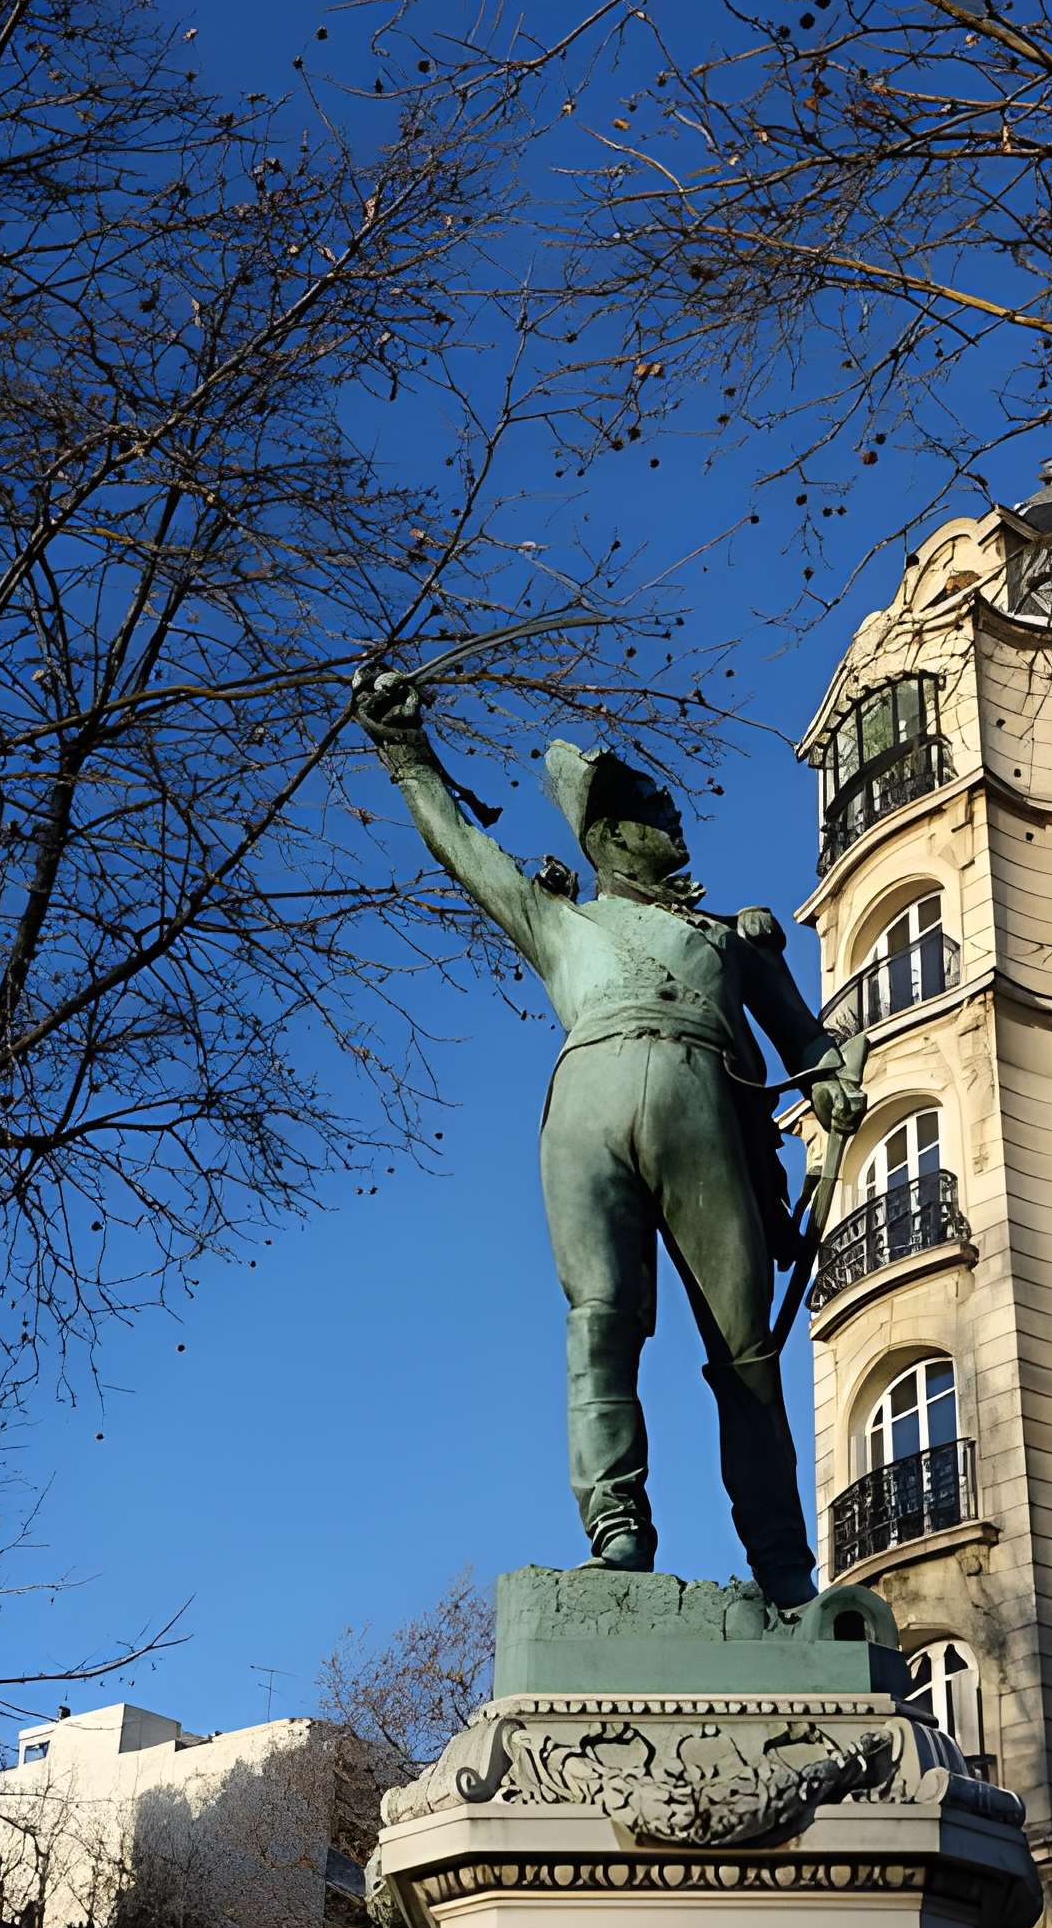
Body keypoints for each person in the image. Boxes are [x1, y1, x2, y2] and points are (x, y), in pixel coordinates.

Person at [353, 673, 866, 1610]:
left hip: (706, 1106)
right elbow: (463, 848)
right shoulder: (559, 919)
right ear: (608, 836)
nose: (668, 817)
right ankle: (617, 1524)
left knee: (745, 1352)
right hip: (586, 1107)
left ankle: (785, 1571)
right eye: (644, 809)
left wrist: (835, 1075)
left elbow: (810, 1043)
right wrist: (405, 752)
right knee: (601, 1325)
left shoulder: (730, 938)